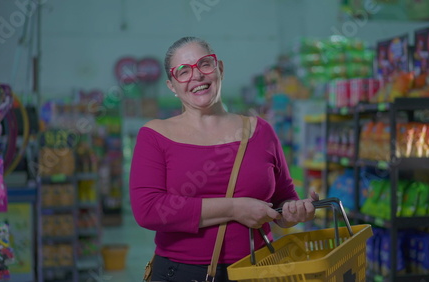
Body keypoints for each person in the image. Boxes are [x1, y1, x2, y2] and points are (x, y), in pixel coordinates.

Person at [130, 36, 319, 282]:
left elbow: (283, 198)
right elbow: (149, 210)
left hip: (260, 269)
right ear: (172, 86)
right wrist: (234, 208)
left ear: (219, 69)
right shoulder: (155, 135)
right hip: (182, 273)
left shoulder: (260, 131)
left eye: (204, 65)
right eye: (183, 72)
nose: (196, 76)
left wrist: (293, 212)